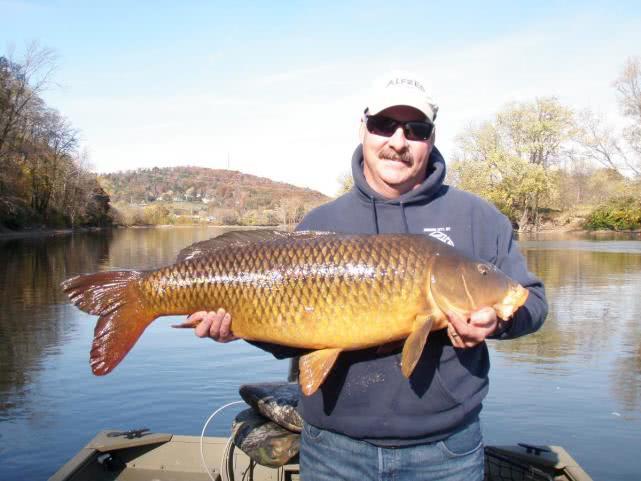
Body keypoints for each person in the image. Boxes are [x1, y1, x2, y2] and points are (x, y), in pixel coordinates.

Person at [188, 72, 548, 480]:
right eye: (383, 126)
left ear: (431, 138)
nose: (398, 141)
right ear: (363, 129)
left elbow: (530, 301)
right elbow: (289, 332)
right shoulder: (323, 221)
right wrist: (238, 327)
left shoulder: (475, 217)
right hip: (333, 449)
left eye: (415, 129)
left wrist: (497, 320)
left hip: (446, 451)